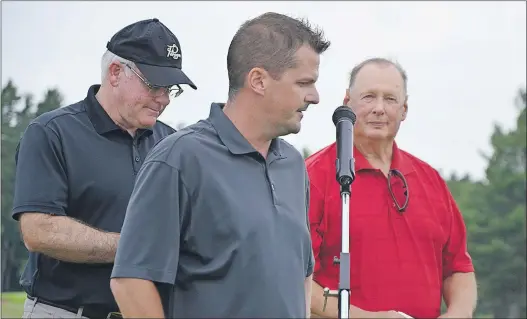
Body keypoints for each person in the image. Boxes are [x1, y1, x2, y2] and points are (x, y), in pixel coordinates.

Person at [109, 12, 330, 318]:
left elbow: (301, 276)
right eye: (304, 83)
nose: (315, 97)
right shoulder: (179, 159)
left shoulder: (293, 165)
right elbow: (131, 281)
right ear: (258, 80)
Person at [12, 18, 197, 319]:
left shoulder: (173, 143)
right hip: (66, 312)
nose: (163, 99)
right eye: (154, 85)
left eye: (170, 89)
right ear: (115, 73)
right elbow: (39, 231)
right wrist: (138, 247)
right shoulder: (51, 133)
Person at [306, 58, 478, 319]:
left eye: (390, 99)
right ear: (347, 102)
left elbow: (458, 267)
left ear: (404, 109)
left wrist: (458, 314)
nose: (378, 108)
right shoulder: (313, 176)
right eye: (368, 97)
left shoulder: (430, 179)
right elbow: (295, 278)